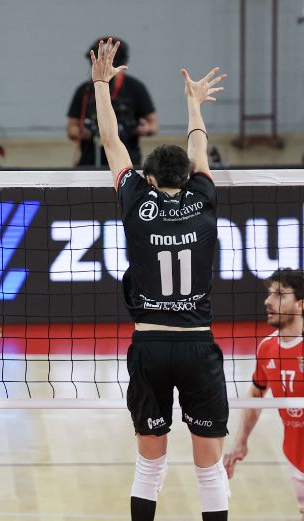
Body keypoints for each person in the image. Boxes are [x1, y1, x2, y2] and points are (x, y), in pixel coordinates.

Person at [92, 38, 228, 521]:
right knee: (209, 468)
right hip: (198, 344)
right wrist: (193, 102)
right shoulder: (205, 201)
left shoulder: (137, 202)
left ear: (148, 179)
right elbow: (199, 149)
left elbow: (112, 142)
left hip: (150, 345)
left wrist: (101, 85)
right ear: (191, 177)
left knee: (150, 463)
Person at [224, 268, 304, 520]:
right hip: (296, 457)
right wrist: (241, 439)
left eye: (279, 295)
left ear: (300, 304)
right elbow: (256, 391)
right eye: (270, 294)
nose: (268, 301)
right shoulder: (267, 347)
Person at [67, 36, 157, 168]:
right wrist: (83, 132)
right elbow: (71, 129)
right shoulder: (84, 91)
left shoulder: (136, 88)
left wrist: (143, 129)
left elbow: (153, 125)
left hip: (127, 161)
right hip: (90, 162)